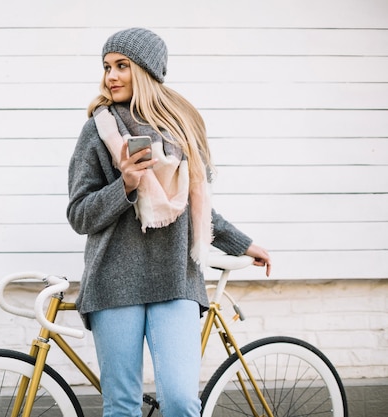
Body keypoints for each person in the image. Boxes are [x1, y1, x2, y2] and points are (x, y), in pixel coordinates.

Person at [66, 28, 271, 417]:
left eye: (122, 66)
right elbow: (79, 214)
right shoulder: (99, 129)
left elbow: (199, 207)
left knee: (180, 402)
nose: (111, 76)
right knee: (122, 406)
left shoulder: (183, 129)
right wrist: (125, 184)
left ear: (146, 71)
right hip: (113, 281)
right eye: (107, 66)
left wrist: (241, 243)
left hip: (176, 278)